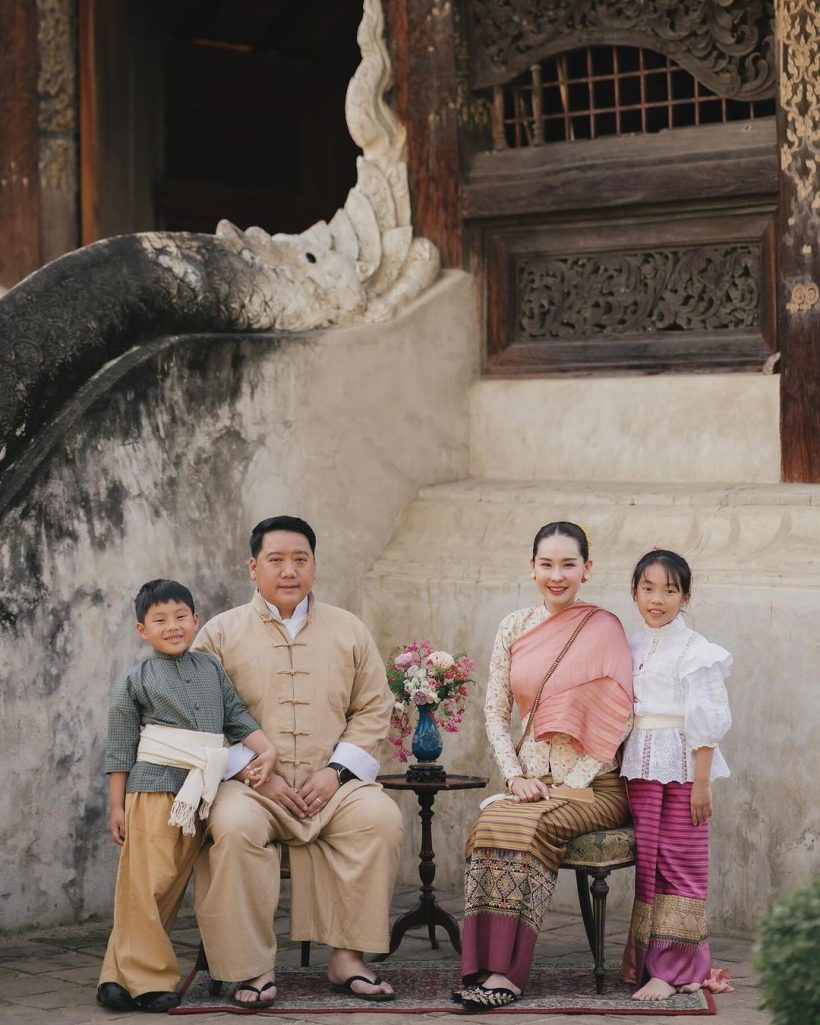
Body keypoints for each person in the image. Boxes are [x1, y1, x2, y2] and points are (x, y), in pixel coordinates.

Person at [191, 515, 403, 1008]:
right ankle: (253, 968)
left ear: (315, 565)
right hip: (248, 786)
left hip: (330, 786)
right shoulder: (219, 634)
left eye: (300, 559)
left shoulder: (348, 628)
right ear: (253, 567)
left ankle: (347, 958)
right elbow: (199, 714)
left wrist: (336, 773)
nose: (289, 571)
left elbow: (375, 706)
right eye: (276, 560)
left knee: (380, 819)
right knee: (236, 829)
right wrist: (250, 773)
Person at [457, 521, 634, 1012]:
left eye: (568, 565)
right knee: (491, 822)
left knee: (528, 828)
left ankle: (508, 974)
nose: (557, 575)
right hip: (531, 782)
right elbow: (494, 710)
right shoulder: (514, 626)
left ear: (587, 569)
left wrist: (566, 786)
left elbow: (620, 718)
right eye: (546, 564)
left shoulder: (604, 628)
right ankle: (481, 964)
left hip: (594, 787)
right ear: (531, 566)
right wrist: (515, 776)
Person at [97, 579, 277, 1013]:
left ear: (195, 620)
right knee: (144, 886)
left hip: (199, 794)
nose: (173, 627)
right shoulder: (136, 680)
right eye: (160, 620)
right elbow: (121, 745)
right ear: (143, 630)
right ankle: (148, 981)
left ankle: (115, 977)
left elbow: (234, 714)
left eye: (181, 617)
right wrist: (115, 805)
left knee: (169, 887)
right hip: (154, 790)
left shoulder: (211, 669)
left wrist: (265, 747)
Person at [620, 549, 732, 1001]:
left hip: (684, 769)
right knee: (651, 864)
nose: (657, 599)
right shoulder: (629, 643)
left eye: (669, 590)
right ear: (635, 592)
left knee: (681, 865)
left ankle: (675, 968)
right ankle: (652, 963)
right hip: (641, 767)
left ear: (685, 596)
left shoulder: (696, 651)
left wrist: (701, 783)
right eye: (648, 588)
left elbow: (706, 720)